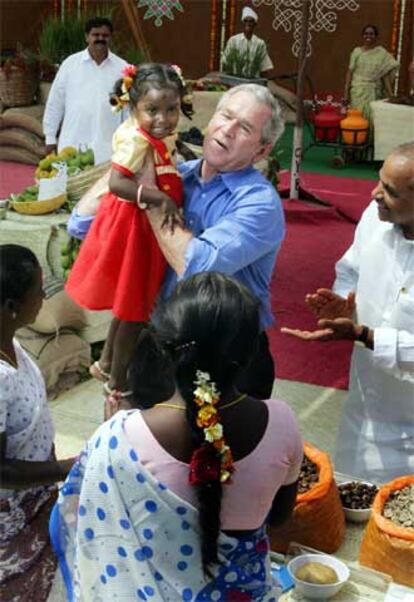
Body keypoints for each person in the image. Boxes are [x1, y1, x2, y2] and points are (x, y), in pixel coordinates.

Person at [50, 271, 303, 600]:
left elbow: (85, 525)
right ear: (253, 350)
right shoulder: (282, 423)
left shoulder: (119, 436)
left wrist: (111, 434)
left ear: (164, 347)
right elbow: (280, 516)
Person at [142, 83, 285, 400]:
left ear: (262, 150)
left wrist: (148, 196)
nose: (228, 130)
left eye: (245, 127)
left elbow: (197, 266)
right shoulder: (177, 175)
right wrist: (134, 153)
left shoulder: (260, 203)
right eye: (226, 116)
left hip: (231, 359)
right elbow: (81, 221)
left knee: (218, 449)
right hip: (164, 345)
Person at [281, 142, 414, 483]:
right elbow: (350, 269)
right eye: (378, 181)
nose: (374, 193)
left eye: (390, 191)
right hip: (364, 405)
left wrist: (365, 336)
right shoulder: (374, 217)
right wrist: (344, 305)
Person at [65, 63, 192, 397]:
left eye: (172, 109)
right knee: (136, 308)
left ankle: (107, 362)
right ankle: (118, 382)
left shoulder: (154, 135)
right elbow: (118, 182)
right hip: (134, 229)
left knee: (130, 302)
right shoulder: (135, 139)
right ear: (133, 108)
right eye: (152, 110)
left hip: (143, 230)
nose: (163, 119)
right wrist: (158, 198)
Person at [0, 245, 75, 602]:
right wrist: (62, 469)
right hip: (11, 511)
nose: (44, 296)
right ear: (12, 307)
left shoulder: (10, 340)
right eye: (37, 290)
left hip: (36, 491)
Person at [43, 17, 127, 164]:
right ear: (86, 37)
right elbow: (56, 102)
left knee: (104, 186)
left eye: (105, 35)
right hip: (73, 143)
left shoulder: (122, 68)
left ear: (111, 38)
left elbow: (127, 108)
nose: (100, 38)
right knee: (70, 185)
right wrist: (50, 137)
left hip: (108, 147)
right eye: (96, 35)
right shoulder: (70, 64)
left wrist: (127, 141)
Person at [343, 24, 399, 121]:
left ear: (376, 36)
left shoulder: (381, 53)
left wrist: (390, 94)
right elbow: (350, 72)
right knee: (357, 118)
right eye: (366, 34)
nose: (368, 36)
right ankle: (358, 136)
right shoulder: (356, 52)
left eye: (371, 34)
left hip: (374, 91)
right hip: (358, 91)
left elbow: (384, 74)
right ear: (362, 36)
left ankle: (370, 137)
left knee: (372, 118)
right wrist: (346, 92)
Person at [221, 6, 274, 79]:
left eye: (251, 21)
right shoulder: (233, 40)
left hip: (253, 82)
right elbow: (226, 62)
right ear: (243, 23)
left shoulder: (260, 43)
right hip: (235, 79)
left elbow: (264, 67)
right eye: (245, 21)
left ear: (255, 24)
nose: (248, 23)